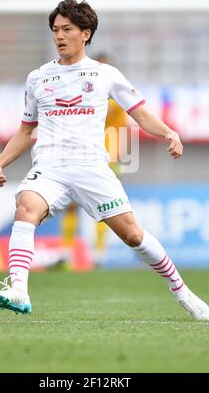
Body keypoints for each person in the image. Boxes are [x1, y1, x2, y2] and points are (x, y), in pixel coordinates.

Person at [0, 0, 209, 321]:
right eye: (55, 30)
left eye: (67, 29)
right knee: (25, 206)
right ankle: (19, 290)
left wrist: (168, 133)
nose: (59, 36)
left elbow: (141, 114)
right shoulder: (37, 78)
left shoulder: (105, 74)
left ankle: (182, 291)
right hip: (49, 169)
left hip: (92, 168)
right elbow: (25, 131)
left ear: (86, 33)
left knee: (134, 235)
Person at [59, 52, 129, 268]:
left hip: (108, 157)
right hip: (80, 154)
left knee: (106, 207)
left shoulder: (115, 95)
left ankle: (99, 254)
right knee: (70, 205)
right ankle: (67, 252)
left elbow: (98, 111)